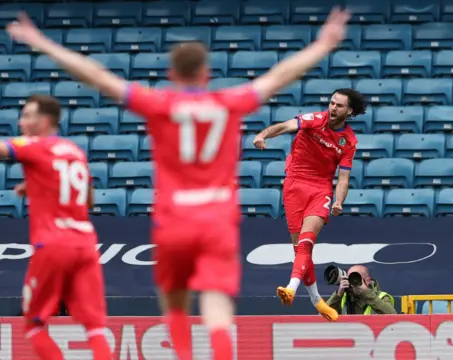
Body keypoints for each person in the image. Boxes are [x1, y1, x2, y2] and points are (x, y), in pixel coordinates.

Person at [6, 8, 351, 360]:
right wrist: (323, 45)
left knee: (176, 306)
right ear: (206, 74)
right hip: (216, 218)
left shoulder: (159, 103)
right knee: (216, 301)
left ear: (171, 74)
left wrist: (41, 42)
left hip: (173, 219)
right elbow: (278, 76)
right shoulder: (227, 102)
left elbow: (98, 76)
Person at [0, 95, 111, 360]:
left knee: (34, 324)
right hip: (85, 244)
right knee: (95, 328)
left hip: (53, 244)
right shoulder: (75, 151)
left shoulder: (33, 145)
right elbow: (88, 197)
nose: (21, 121)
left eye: (27, 115)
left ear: (45, 120)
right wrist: (37, 187)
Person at [252, 88, 366, 321]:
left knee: (306, 244)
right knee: (300, 251)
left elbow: (343, 178)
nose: (333, 107)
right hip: (294, 186)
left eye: (339, 105)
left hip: (320, 189)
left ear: (349, 111)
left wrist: (339, 201)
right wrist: (263, 135)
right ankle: (317, 300)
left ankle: (291, 289)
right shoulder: (313, 120)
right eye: (332, 102)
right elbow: (283, 127)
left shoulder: (349, 141)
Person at [326, 265, 397, 315]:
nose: (353, 282)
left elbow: (392, 315)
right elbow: (322, 317)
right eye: (350, 278)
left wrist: (366, 293)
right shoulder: (343, 297)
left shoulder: (382, 297)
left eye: (356, 277)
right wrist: (338, 295)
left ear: (368, 280)